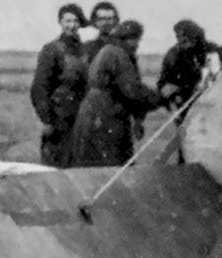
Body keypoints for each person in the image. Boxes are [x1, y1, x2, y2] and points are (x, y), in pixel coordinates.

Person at [70, 20, 167, 167]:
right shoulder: (118, 55)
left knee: (90, 167)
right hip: (105, 118)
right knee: (112, 167)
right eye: (136, 40)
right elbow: (133, 91)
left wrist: (138, 117)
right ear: (129, 39)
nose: (137, 45)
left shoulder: (108, 51)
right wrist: (161, 97)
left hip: (92, 115)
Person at [29, 3, 88, 167]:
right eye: (67, 21)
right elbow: (39, 88)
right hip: (58, 121)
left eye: (75, 21)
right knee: (55, 169)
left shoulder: (84, 52)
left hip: (81, 120)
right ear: (60, 22)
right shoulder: (52, 50)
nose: (72, 25)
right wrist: (47, 120)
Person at [157, 19, 222, 111]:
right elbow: (163, 84)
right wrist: (169, 91)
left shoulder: (213, 51)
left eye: (186, 38)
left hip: (213, 102)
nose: (182, 41)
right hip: (184, 104)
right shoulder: (173, 56)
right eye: (179, 37)